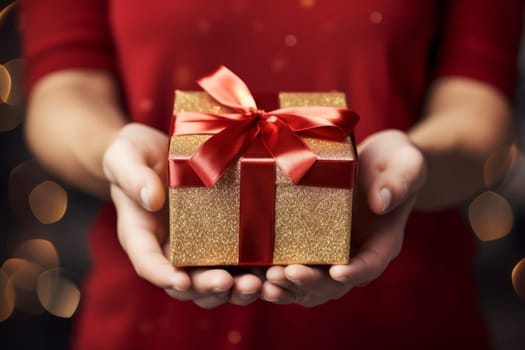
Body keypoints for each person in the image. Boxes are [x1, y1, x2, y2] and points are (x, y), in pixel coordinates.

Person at [19, 1, 524, 349]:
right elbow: (64, 91)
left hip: (406, 319)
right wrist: (115, 153)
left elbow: (477, 103)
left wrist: (412, 163)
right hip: (147, 325)